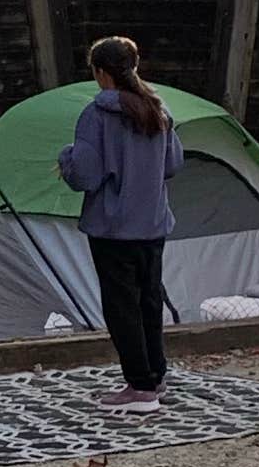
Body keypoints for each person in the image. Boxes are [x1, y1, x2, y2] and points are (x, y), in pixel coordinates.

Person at [59, 35, 174, 405]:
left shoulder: (96, 116)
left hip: (112, 229)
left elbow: (85, 175)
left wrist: (66, 158)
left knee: (122, 307)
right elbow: (173, 164)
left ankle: (140, 387)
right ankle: (155, 377)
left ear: (100, 73)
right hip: (153, 224)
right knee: (150, 301)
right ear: (133, 67)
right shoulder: (158, 109)